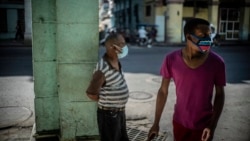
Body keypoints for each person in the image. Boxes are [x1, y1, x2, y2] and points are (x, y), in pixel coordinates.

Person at [147, 18, 226, 141]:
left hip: (204, 125)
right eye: (202, 35)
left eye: (209, 35)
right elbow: (163, 91)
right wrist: (156, 123)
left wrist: (212, 125)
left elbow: (220, 95)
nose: (208, 39)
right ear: (189, 37)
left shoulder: (217, 62)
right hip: (179, 123)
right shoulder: (171, 59)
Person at [86, 32, 130, 141]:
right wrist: (107, 102)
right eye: (122, 44)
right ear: (112, 47)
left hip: (119, 112)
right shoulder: (102, 68)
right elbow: (91, 93)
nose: (125, 47)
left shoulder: (116, 61)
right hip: (109, 116)